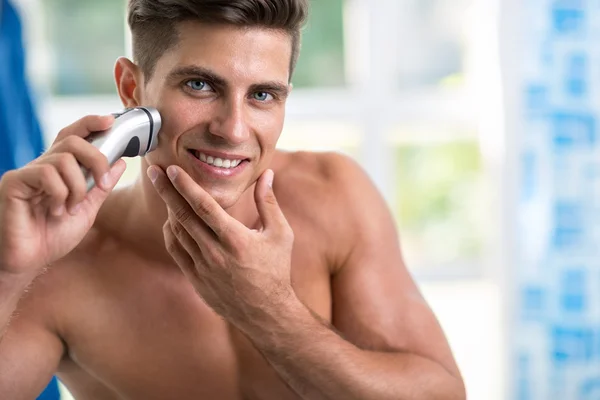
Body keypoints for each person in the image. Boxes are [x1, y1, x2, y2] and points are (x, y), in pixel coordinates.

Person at [0, 1, 466, 398]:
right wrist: (6, 273)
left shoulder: (333, 195)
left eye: (262, 94)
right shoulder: (59, 266)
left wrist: (271, 313)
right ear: (132, 90)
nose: (234, 130)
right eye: (201, 85)